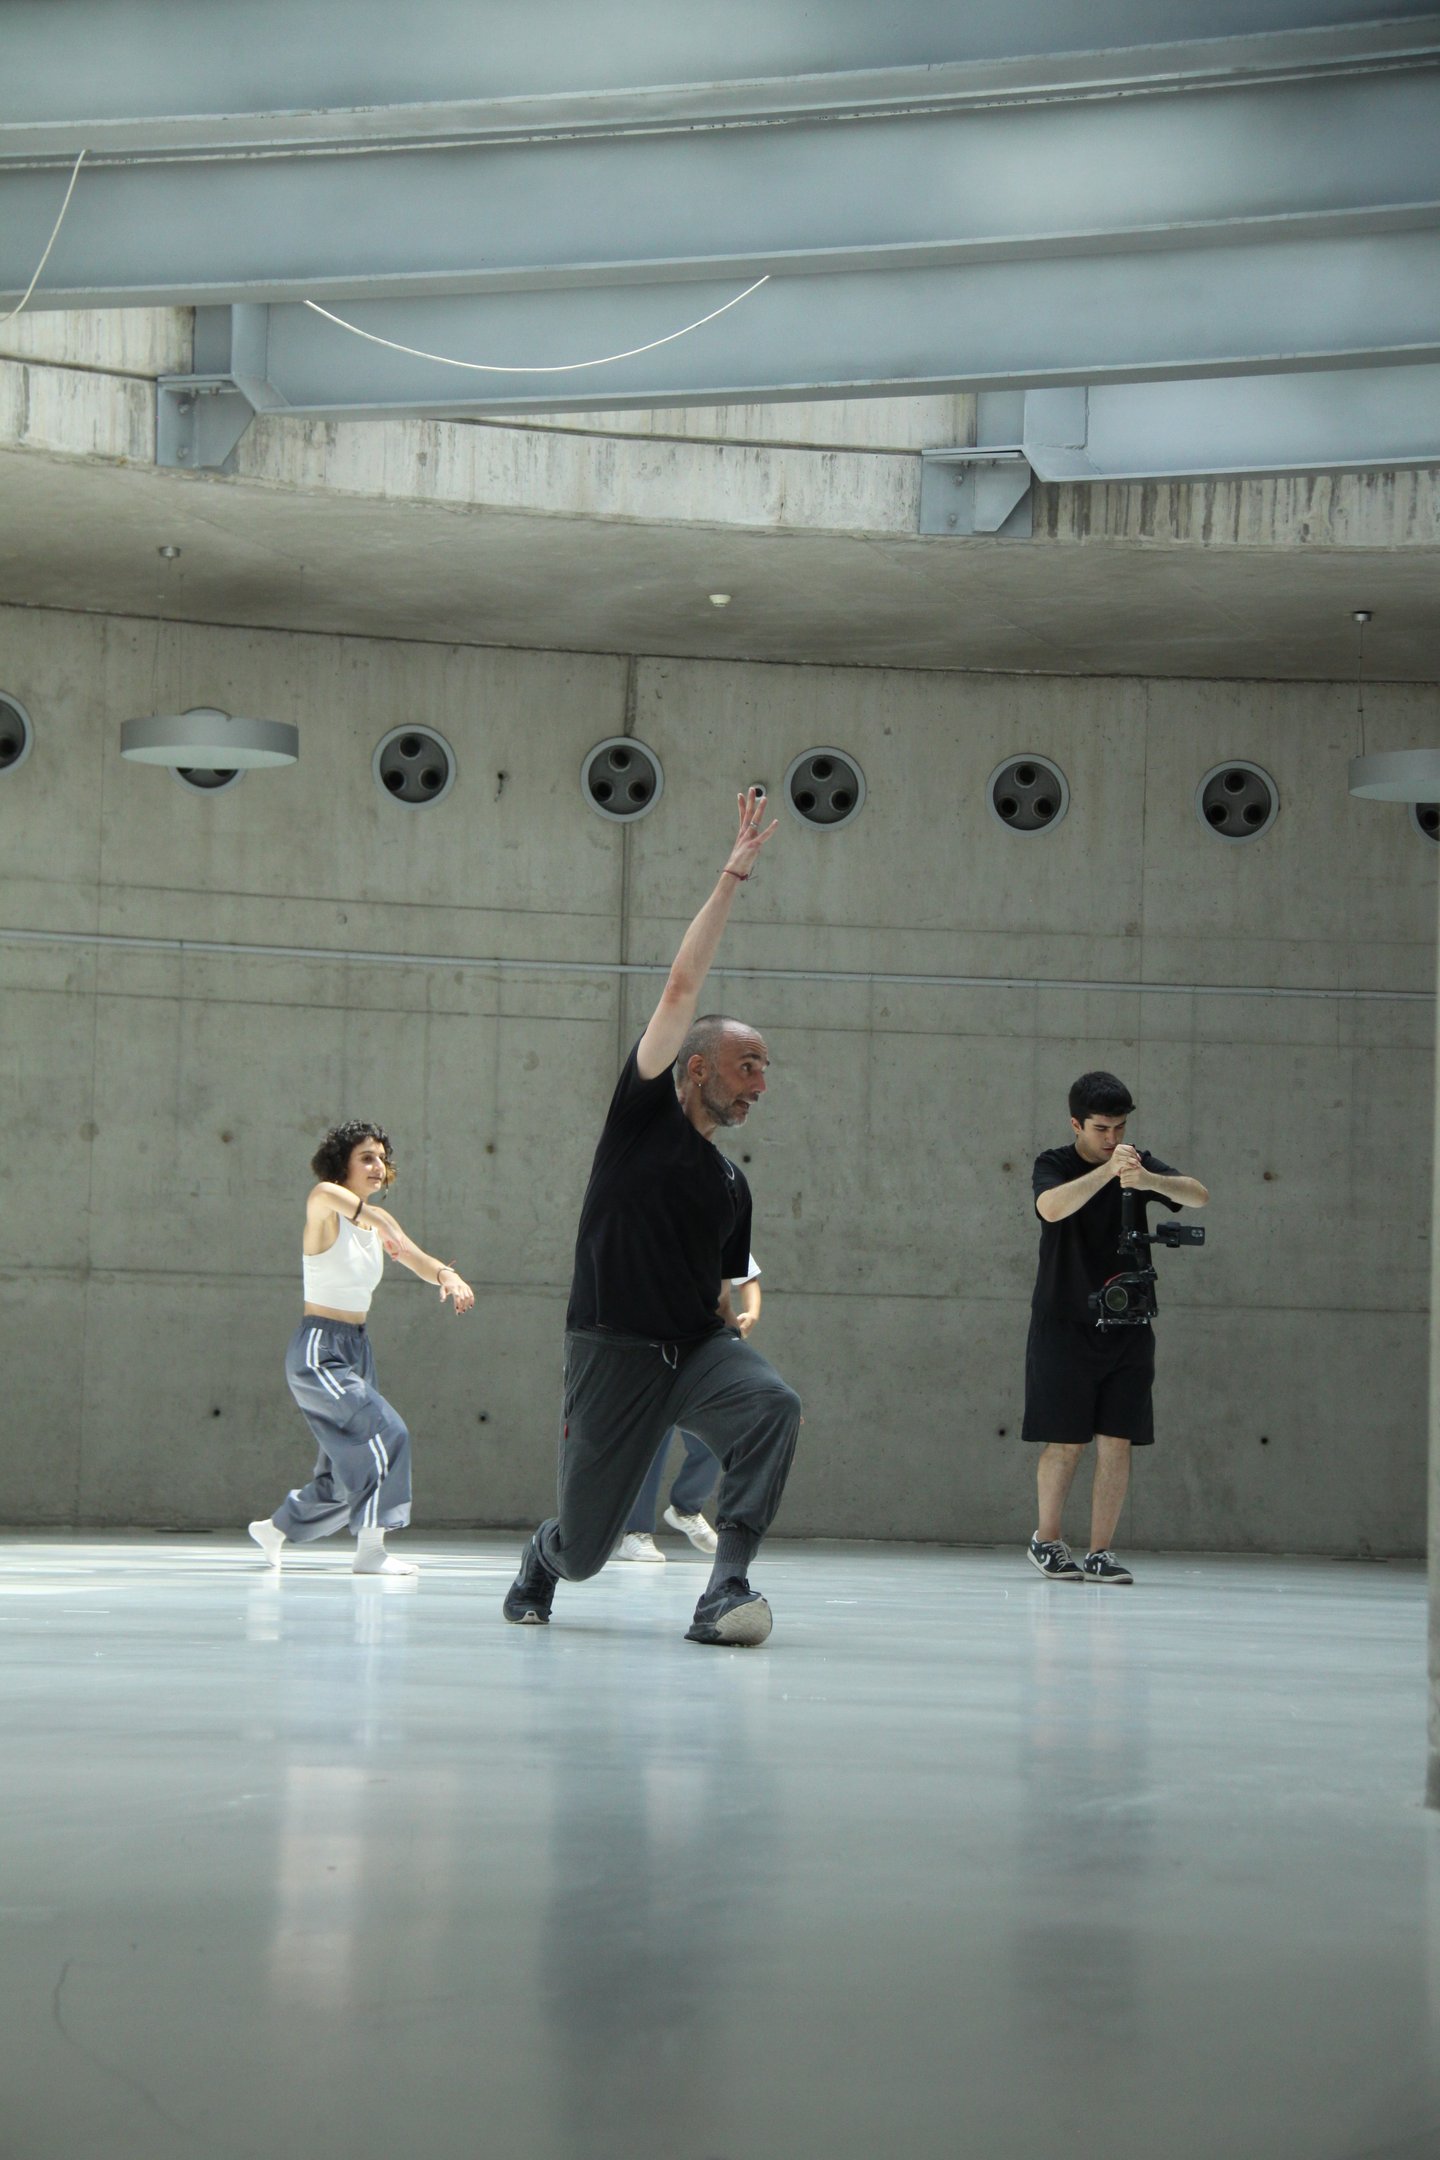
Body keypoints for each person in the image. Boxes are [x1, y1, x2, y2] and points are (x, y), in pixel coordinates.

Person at [503, 787, 802, 1647]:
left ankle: (727, 1587)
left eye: (765, 1070)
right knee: (588, 1549)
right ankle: (544, 1555)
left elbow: (720, 1291)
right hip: (612, 1351)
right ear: (697, 1064)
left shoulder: (732, 1185)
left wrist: (740, 1359)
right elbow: (679, 986)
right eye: (748, 1066)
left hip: (695, 1350)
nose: (759, 1084)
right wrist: (731, 876)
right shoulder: (640, 1118)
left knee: (775, 1404)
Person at [249, 1120, 474, 1576]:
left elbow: (415, 1256)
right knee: (388, 1434)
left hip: (356, 1349)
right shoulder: (323, 1201)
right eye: (367, 1157)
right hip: (319, 1351)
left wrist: (446, 1275)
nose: (379, 1166)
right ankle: (371, 1552)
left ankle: (274, 1529)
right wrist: (386, 1225)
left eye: (382, 1158)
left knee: (340, 1474)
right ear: (342, 1164)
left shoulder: (375, 1227)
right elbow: (375, 1219)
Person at [1024, 1071, 1208, 1585]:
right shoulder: (1054, 1164)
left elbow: (1198, 1196)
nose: (1112, 1139)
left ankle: (1101, 1550)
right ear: (1076, 1124)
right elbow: (1050, 1208)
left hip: (1128, 1324)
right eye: (1102, 1129)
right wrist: (1108, 1174)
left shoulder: (1136, 1162)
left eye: (1120, 1128)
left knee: (1117, 1440)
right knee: (1065, 1441)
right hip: (1063, 1322)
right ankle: (1047, 1540)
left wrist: (1149, 1180)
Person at [613, 1257, 763, 1561]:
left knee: (714, 1434)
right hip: (655, 1348)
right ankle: (635, 1531)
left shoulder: (722, 1228)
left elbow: (748, 1278)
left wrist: (752, 1313)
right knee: (653, 1440)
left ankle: (686, 1507)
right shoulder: (653, 1236)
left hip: (704, 1348)